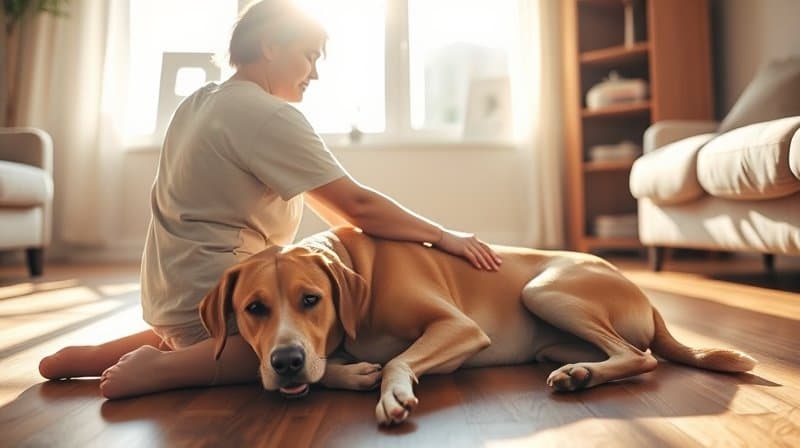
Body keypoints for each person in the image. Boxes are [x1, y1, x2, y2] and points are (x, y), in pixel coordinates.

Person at [38, 0, 501, 399]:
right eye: (309, 56)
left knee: (198, 331)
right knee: (310, 334)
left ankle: (91, 357)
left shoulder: (200, 101)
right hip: (216, 296)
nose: (314, 73)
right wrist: (444, 236)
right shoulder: (268, 115)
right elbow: (357, 205)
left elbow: (333, 208)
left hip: (167, 296)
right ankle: (163, 372)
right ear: (271, 47)